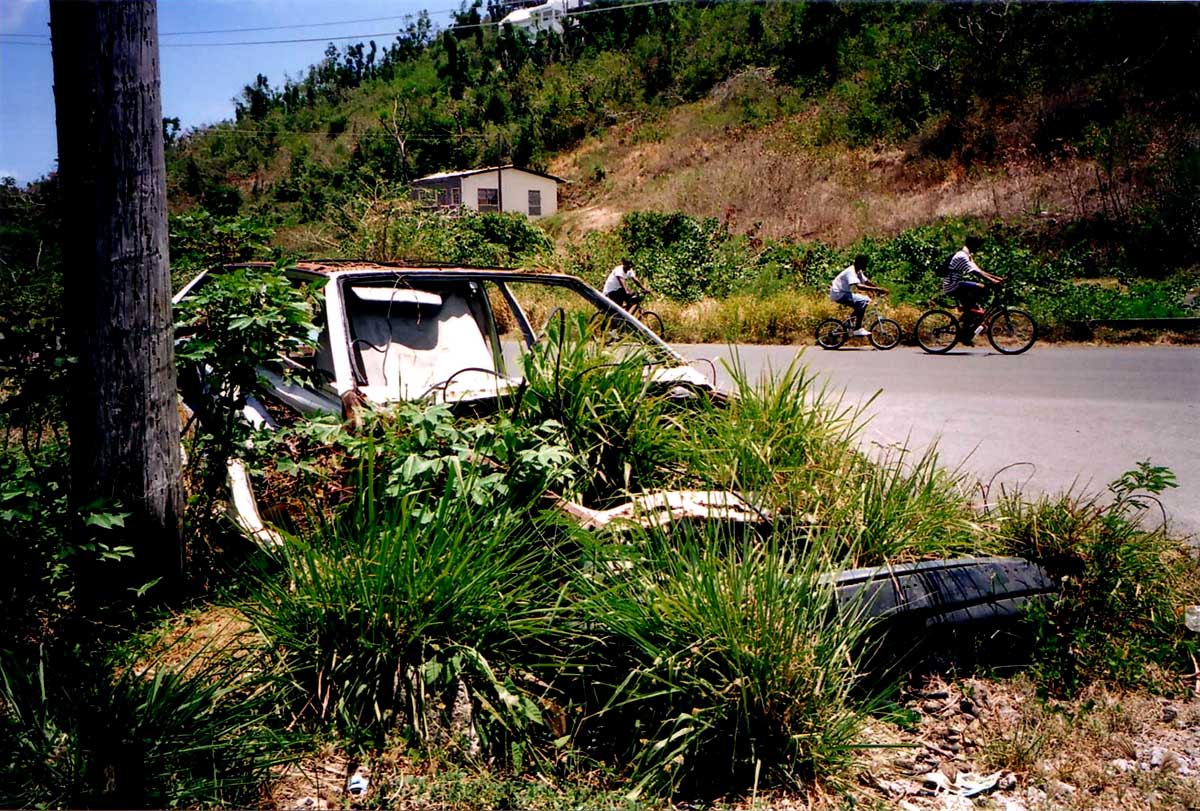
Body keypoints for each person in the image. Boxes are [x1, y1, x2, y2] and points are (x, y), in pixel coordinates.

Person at [942, 236, 1004, 344]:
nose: (978, 248)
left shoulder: (967, 255)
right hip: (952, 286)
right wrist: (993, 281)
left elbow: (979, 270)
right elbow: (975, 273)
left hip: (956, 284)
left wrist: (996, 278)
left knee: (978, 299)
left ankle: (969, 314)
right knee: (981, 289)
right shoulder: (961, 256)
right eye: (977, 246)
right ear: (973, 245)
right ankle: (967, 321)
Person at [829, 254, 888, 336]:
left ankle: (849, 323)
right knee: (863, 301)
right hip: (838, 293)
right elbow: (859, 286)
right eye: (864, 263)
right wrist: (878, 289)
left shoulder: (858, 271)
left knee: (862, 303)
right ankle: (857, 328)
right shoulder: (851, 271)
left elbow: (866, 282)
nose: (866, 265)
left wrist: (877, 289)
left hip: (843, 293)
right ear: (859, 263)